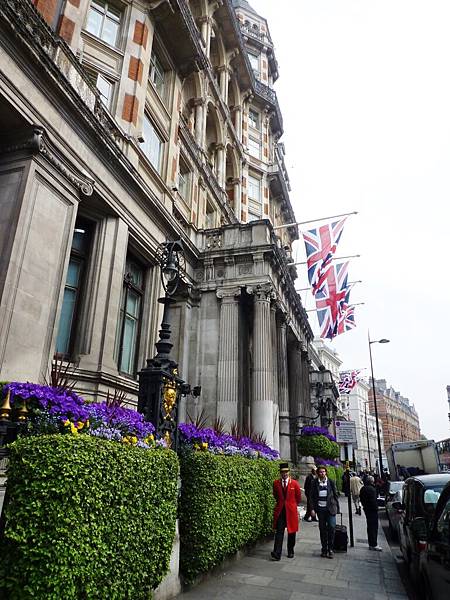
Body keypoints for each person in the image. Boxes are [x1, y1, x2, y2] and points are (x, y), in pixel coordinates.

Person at [271, 462, 302, 561]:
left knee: (291, 532)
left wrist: (292, 505)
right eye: (282, 472)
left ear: (289, 473)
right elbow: (275, 495)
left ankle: (290, 551)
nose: (284, 474)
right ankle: (277, 553)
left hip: (291, 511)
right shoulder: (276, 483)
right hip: (281, 511)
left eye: (286, 472)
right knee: (279, 532)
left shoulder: (294, 483)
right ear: (280, 473)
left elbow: (298, 497)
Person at [311, 465, 340, 559]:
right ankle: (324, 549)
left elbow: (336, 495)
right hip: (320, 509)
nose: (322, 473)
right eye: (320, 472)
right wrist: (312, 509)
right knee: (322, 530)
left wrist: (337, 507)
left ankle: (330, 549)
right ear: (318, 473)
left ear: (326, 472)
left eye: (324, 472)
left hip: (330, 509)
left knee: (331, 527)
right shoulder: (314, 482)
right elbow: (311, 496)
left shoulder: (330, 482)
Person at [359, 475, 382, 551]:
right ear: (372, 481)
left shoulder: (363, 488)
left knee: (370, 527)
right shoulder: (372, 489)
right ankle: (373, 544)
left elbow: (361, 498)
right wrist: (376, 508)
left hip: (367, 509)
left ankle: (371, 543)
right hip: (372, 510)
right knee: (373, 527)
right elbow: (373, 501)